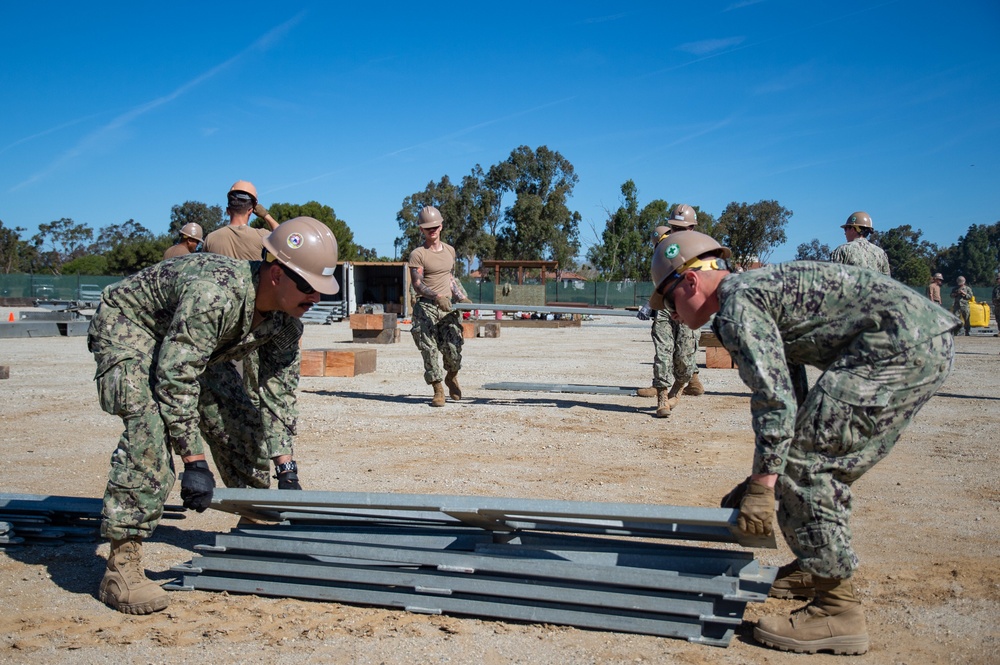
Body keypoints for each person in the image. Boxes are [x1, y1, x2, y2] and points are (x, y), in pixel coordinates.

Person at [648, 231, 959, 655]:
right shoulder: (752, 293)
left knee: (807, 468)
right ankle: (817, 567)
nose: (672, 314)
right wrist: (762, 477)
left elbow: (772, 400)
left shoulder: (737, 308)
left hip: (896, 348)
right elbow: (791, 397)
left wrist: (766, 483)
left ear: (689, 282)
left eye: (668, 302)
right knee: (797, 460)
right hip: (909, 339)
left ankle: (837, 611)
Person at [88, 217, 339, 615]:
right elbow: (175, 377)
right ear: (276, 274)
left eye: (323, 288)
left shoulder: (285, 324)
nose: (317, 298)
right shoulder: (214, 295)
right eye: (308, 286)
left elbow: (278, 396)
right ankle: (122, 568)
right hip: (131, 328)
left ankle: (255, 529)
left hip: (191, 343)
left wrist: (286, 468)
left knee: (241, 421)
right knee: (150, 430)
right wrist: (194, 460)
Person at [635, 204, 703, 417]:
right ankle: (662, 397)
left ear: (692, 227)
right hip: (665, 306)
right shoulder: (665, 248)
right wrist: (651, 303)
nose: (679, 231)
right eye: (675, 227)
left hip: (689, 307)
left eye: (684, 227)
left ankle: (680, 387)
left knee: (684, 356)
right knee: (663, 353)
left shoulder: (702, 249)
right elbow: (660, 278)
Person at [408, 206, 470, 407]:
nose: (432, 230)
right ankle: (438, 390)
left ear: (441, 226)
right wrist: (437, 296)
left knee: (453, 350)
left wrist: (462, 297)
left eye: (435, 226)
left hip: (448, 309)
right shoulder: (418, 254)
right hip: (427, 308)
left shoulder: (450, 250)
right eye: (428, 228)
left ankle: (451, 377)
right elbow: (417, 283)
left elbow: (450, 278)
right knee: (429, 349)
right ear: (422, 230)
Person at [202, 180, 280, 260]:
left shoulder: (210, 239)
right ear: (250, 211)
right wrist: (266, 215)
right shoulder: (262, 236)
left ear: (227, 210)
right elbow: (284, 237)